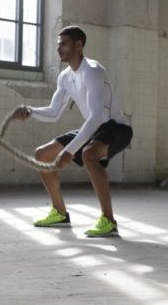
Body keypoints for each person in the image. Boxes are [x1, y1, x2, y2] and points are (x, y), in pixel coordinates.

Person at [13, 26, 133, 237]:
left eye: (64, 44)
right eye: (58, 44)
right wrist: (30, 111)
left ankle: (109, 221)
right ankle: (59, 213)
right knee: (43, 154)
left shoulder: (94, 71)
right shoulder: (65, 76)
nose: (59, 48)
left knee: (89, 154)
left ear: (79, 46)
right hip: (93, 127)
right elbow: (53, 112)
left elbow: (97, 116)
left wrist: (69, 151)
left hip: (116, 127)